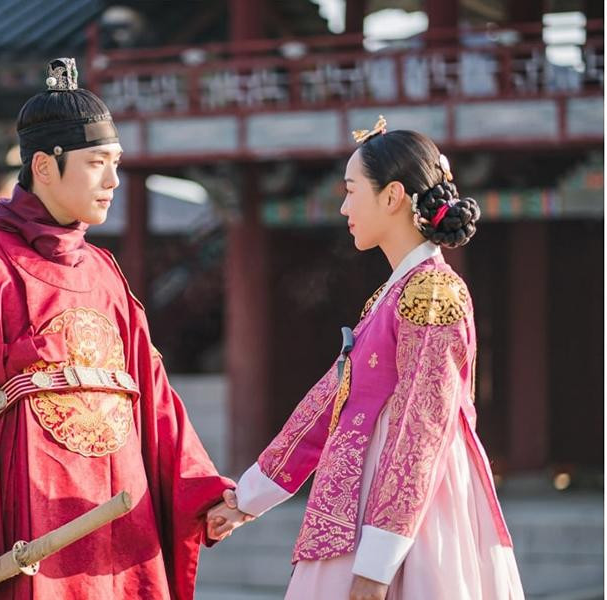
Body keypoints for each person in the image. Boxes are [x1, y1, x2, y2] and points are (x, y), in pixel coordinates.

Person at [0, 57, 234, 600]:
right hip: (30, 531)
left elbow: (156, 400)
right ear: (45, 167)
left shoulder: (106, 273)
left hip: (126, 522)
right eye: (96, 163)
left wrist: (201, 492)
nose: (113, 181)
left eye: (116, 163)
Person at [207, 117, 525, 600]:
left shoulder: (433, 292)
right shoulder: (393, 294)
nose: (343, 206)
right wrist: (246, 499)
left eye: (352, 190)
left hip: (414, 514)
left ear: (392, 195)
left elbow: (421, 426)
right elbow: (329, 401)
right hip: (363, 491)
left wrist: (378, 563)